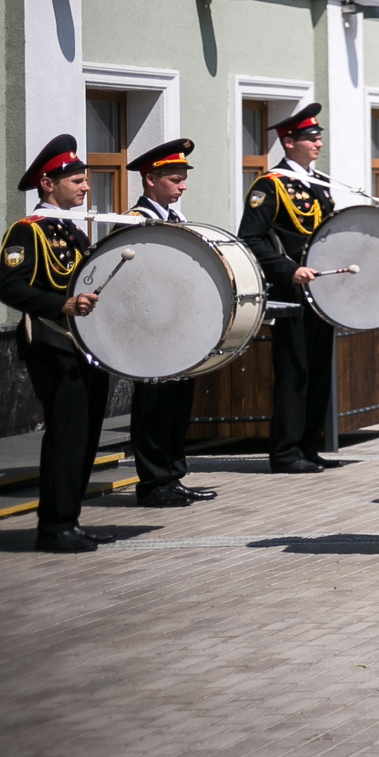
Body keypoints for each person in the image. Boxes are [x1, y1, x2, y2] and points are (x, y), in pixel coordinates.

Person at [1, 136, 110, 552]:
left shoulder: (71, 231)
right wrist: (62, 304)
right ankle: (54, 527)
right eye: (78, 181)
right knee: (66, 435)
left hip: (84, 346)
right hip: (51, 342)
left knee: (84, 436)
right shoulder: (27, 231)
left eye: (85, 180)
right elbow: (8, 286)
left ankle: (70, 519)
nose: (85, 188)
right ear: (48, 184)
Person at [237, 102, 342, 474]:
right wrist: (288, 270)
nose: (318, 143)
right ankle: (285, 452)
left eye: (318, 136)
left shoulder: (319, 182)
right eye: (311, 138)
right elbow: (250, 238)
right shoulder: (270, 186)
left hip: (322, 291)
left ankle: (308, 446)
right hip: (291, 291)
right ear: (289, 142)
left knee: (318, 371)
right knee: (294, 371)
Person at [125, 139, 218, 508]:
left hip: (178, 330)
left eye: (182, 178)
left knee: (177, 405)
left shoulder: (175, 220)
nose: (183, 185)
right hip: (150, 331)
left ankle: (172, 476)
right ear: (150, 179)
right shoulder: (134, 222)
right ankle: (152, 483)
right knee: (153, 408)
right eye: (175, 179)